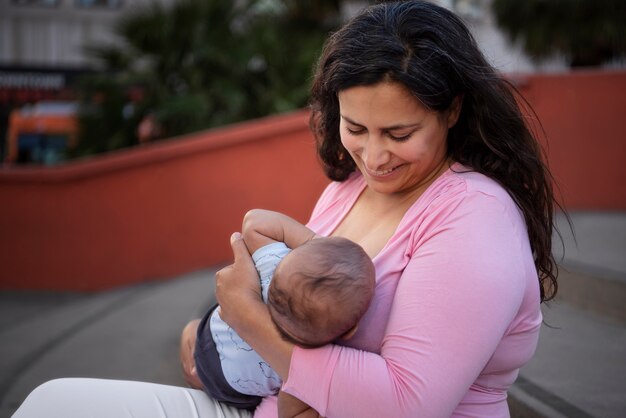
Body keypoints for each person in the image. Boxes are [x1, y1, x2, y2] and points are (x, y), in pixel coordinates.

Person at [12, 2, 563, 417]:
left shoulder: (472, 216)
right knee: (54, 402)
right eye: (356, 128)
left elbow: (407, 402)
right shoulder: (349, 188)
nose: (373, 156)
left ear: (453, 111)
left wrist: (251, 327)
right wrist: (214, 339)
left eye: (399, 133)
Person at [188, 209, 375, 411]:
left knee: (190, 334)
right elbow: (290, 412)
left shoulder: (273, 263)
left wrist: (313, 241)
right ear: (349, 331)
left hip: (213, 329)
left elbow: (254, 221)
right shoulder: (305, 364)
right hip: (228, 387)